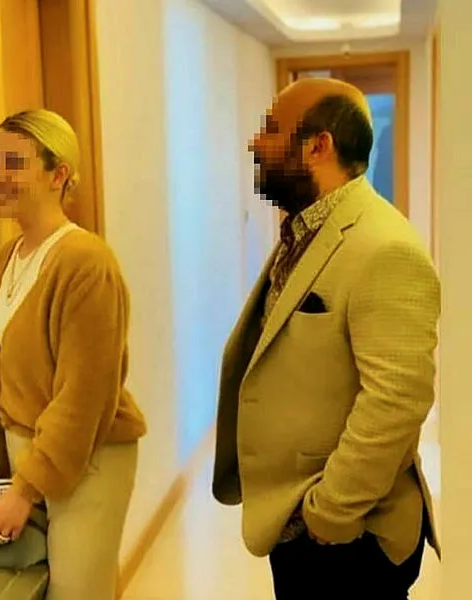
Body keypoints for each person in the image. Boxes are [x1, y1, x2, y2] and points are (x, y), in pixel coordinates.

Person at [212, 78, 440, 600]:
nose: (255, 143)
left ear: (318, 146)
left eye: (272, 130)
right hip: (297, 520)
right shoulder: (305, 228)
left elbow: (398, 400)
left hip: (350, 535)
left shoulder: (384, 247)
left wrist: (329, 513)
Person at [0, 108, 147, 600]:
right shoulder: (8, 258)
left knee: (77, 593)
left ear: (58, 175)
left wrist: (23, 489)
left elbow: (84, 396)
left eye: (13, 163)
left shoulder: (86, 262)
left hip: (89, 458)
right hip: (35, 459)